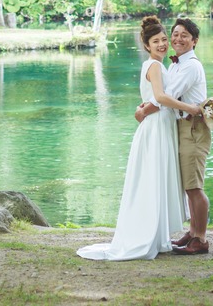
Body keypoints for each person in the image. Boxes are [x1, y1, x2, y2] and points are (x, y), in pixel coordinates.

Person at [77, 16, 201, 261]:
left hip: (162, 125)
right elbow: (162, 98)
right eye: (156, 41)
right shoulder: (154, 66)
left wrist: (146, 107)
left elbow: (156, 98)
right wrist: (191, 108)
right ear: (147, 45)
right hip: (156, 127)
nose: (164, 44)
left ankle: (157, 235)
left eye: (165, 39)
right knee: (152, 179)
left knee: (156, 179)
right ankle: (148, 236)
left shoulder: (160, 65)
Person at [135, 17, 211, 255]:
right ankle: (192, 232)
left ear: (194, 41)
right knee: (187, 184)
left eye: (183, 36)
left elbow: (167, 95)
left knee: (194, 186)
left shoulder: (190, 65)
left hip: (192, 127)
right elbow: (162, 94)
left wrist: (144, 110)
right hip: (178, 127)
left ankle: (200, 238)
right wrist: (148, 103)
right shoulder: (174, 64)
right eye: (175, 34)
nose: (176, 39)